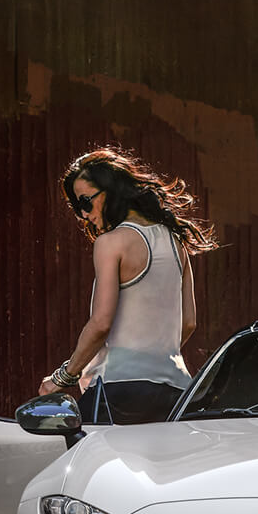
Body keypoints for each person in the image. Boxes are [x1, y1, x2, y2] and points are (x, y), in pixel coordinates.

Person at [40, 147, 217, 424]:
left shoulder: (111, 243)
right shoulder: (176, 243)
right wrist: (153, 357)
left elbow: (100, 324)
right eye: (77, 207)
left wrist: (62, 378)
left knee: (87, 464)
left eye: (85, 202)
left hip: (118, 393)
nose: (82, 214)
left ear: (110, 191)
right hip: (177, 392)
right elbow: (189, 322)